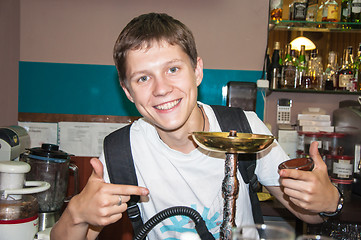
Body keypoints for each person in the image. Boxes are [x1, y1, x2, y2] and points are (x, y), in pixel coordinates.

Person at [51, 13, 340, 240]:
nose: (161, 89)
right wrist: (76, 213)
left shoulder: (243, 129)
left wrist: (328, 200)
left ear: (197, 71)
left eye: (173, 69)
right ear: (128, 92)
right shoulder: (120, 153)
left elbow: (308, 213)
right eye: (142, 78)